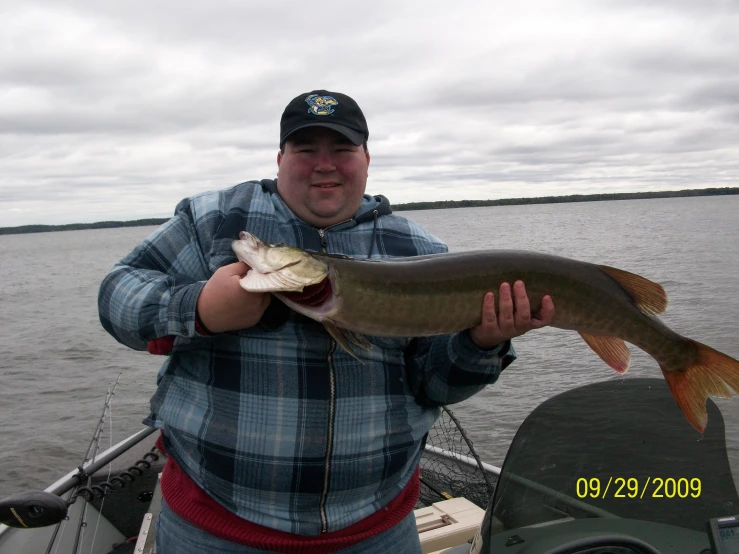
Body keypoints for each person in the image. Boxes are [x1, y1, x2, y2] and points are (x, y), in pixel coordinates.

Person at [98, 89, 555, 553]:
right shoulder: (214, 220)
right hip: (214, 529)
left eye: (341, 150)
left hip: (376, 532)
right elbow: (116, 295)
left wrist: (481, 344)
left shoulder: (417, 249)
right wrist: (198, 309)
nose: (325, 164)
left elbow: (438, 385)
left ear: (366, 159)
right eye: (305, 150)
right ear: (280, 159)